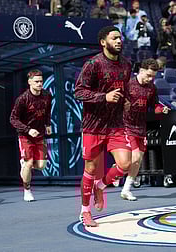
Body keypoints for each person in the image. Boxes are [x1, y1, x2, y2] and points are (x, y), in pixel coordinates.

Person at [74, 26, 132, 227]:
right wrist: (103, 97)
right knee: (90, 167)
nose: (119, 41)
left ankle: (101, 186)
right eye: (114, 38)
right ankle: (85, 211)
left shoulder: (126, 64)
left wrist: (126, 100)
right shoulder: (93, 64)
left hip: (116, 124)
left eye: (120, 38)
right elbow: (79, 92)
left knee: (125, 164)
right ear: (103, 42)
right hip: (93, 125)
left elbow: (123, 89)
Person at [120, 59, 169, 201]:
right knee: (134, 157)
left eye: (153, 76)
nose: (150, 78)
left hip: (141, 127)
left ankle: (126, 189)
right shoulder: (127, 85)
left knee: (138, 159)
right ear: (141, 70)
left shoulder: (152, 88)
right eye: (148, 75)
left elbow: (154, 105)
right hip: (126, 125)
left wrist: (161, 109)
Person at [10, 69, 52, 202]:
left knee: (41, 166)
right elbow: (13, 119)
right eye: (37, 81)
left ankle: (26, 166)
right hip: (25, 136)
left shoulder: (47, 95)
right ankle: (27, 190)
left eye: (41, 81)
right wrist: (28, 130)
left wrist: (48, 124)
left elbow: (47, 112)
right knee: (29, 163)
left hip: (40, 135)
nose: (40, 84)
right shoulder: (22, 99)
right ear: (29, 82)